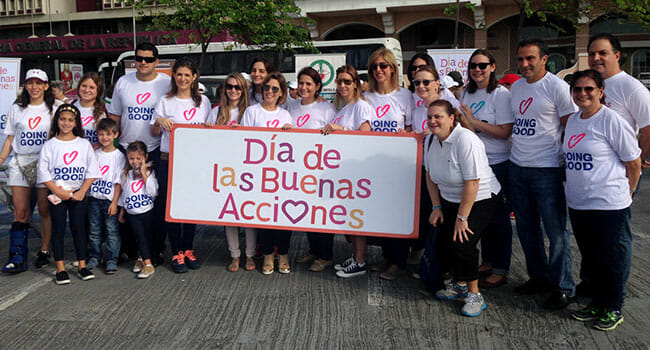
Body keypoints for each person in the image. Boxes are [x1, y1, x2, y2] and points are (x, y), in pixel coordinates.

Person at [564, 69, 641, 331]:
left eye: (589, 89)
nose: (582, 94)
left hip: (608, 204)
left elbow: (633, 161)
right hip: (579, 204)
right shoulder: (574, 120)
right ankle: (596, 302)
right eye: (577, 89)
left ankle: (613, 307)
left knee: (610, 259)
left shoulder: (612, 120)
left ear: (601, 91)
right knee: (591, 258)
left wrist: (628, 191)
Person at [509, 38, 578, 309]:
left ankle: (563, 286)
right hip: (518, 167)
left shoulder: (557, 87)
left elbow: (570, 126)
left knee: (555, 231)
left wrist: (564, 160)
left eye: (530, 59)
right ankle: (538, 277)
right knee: (526, 229)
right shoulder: (515, 88)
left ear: (544, 59)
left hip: (547, 169)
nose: (525, 64)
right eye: (521, 59)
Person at [425, 99, 501, 317]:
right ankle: (458, 283)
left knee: (463, 241)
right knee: (445, 241)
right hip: (449, 198)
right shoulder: (430, 140)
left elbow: (473, 182)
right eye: (430, 117)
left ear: (451, 118)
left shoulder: (466, 140)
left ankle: (474, 294)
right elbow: (430, 176)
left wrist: (462, 218)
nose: (432, 121)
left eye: (438, 116)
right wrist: (436, 206)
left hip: (481, 198)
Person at [107, 42, 171, 266]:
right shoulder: (124, 83)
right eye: (139, 58)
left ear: (156, 61)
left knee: (153, 201)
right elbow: (115, 116)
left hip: (153, 149)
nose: (142, 62)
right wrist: (113, 144)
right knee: (127, 200)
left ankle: (155, 249)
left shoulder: (165, 83)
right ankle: (129, 249)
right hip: (126, 149)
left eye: (147, 58)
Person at [459, 49, 514, 289]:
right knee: (479, 218)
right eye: (473, 65)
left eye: (482, 65)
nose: (477, 70)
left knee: (499, 219)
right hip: (473, 163)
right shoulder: (465, 92)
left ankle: (501, 268)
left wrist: (473, 122)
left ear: (492, 66)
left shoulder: (501, 95)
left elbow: (504, 132)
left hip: (497, 162)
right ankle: (488, 261)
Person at [151, 58, 210, 273]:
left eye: (187, 75)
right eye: (179, 74)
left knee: (190, 207)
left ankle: (188, 249)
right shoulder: (165, 101)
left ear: (194, 77)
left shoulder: (203, 102)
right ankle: (176, 250)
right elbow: (154, 133)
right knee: (171, 207)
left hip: (193, 162)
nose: (183, 79)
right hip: (169, 160)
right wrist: (159, 122)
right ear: (174, 76)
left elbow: (208, 131)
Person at [363, 47, 414, 280]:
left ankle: (398, 261)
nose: (378, 70)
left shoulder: (405, 96)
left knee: (398, 213)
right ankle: (387, 256)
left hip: (399, 165)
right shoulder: (366, 97)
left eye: (383, 66)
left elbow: (412, 128)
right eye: (374, 66)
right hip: (374, 163)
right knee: (381, 213)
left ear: (393, 68)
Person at [37, 104, 100, 284]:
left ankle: (82, 265)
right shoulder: (50, 145)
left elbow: (92, 171)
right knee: (58, 229)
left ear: (76, 123)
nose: (66, 123)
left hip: (78, 194)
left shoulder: (83, 144)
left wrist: (82, 192)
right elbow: (44, 173)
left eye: (70, 120)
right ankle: (60, 267)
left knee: (79, 228)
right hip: (57, 195)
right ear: (57, 121)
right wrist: (58, 191)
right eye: (62, 119)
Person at [0, 69, 56, 273]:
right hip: (20, 163)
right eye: (30, 83)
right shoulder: (17, 108)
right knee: (20, 211)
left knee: (43, 209)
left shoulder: (54, 108)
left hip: (44, 164)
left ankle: (44, 251)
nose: (34, 87)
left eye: (38, 83)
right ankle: (17, 257)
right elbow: (10, 138)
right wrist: (1, 159)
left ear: (46, 85)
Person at [240, 72, 293, 274]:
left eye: (275, 89)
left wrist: (290, 131)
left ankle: (284, 254)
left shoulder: (285, 115)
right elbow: (245, 141)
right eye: (267, 88)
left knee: (284, 215)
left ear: (281, 93)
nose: (270, 92)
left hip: (281, 175)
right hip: (259, 174)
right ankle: (269, 254)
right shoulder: (252, 112)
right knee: (265, 215)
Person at [322, 65, 371, 278]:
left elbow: (366, 134)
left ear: (355, 84)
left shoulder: (361, 105)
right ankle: (356, 256)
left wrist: (341, 129)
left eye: (347, 82)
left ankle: (360, 261)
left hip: (356, 168)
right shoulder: (343, 108)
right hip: (342, 169)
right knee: (350, 217)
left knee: (356, 216)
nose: (342, 85)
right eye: (340, 81)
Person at [289, 67, 336, 272]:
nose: (304, 87)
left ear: (318, 86)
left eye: (309, 84)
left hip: (320, 169)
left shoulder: (327, 109)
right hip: (297, 168)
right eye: (301, 83)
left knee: (321, 212)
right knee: (307, 210)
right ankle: (314, 250)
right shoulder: (292, 107)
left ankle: (325, 255)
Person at [208, 72, 257, 272]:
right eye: (230, 86)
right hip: (225, 170)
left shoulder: (252, 111)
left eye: (238, 87)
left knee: (249, 213)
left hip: (247, 169)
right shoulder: (216, 111)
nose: (233, 91)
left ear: (244, 90)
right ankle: (235, 255)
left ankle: (250, 255)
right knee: (230, 214)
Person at [587, 34, 650, 171]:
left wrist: (636, 161)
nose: (596, 58)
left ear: (617, 56)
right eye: (592, 54)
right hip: (589, 171)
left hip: (619, 175)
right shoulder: (586, 86)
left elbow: (648, 129)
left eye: (602, 53)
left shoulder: (631, 88)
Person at [87, 118, 124, 274]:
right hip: (94, 198)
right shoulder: (94, 153)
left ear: (115, 135)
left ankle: (111, 259)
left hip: (109, 199)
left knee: (111, 230)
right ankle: (95, 256)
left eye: (108, 134)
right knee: (94, 229)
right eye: (101, 134)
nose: (104, 138)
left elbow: (118, 182)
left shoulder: (119, 156)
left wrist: (115, 202)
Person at [118, 141, 159, 279]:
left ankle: (146, 262)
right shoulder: (126, 174)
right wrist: (122, 209)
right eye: (131, 158)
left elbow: (153, 192)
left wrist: (144, 175)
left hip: (146, 210)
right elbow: (124, 193)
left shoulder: (150, 172)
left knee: (146, 236)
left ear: (145, 157)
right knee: (139, 236)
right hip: (132, 212)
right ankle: (145, 261)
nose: (134, 161)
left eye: (138, 158)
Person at [74, 72, 106, 149]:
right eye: (84, 86)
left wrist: (99, 145)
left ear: (98, 90)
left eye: (92, 87)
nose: (87, 90)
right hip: (74, 152)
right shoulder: (70, 105)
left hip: (96, 155)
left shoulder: (105, 109)